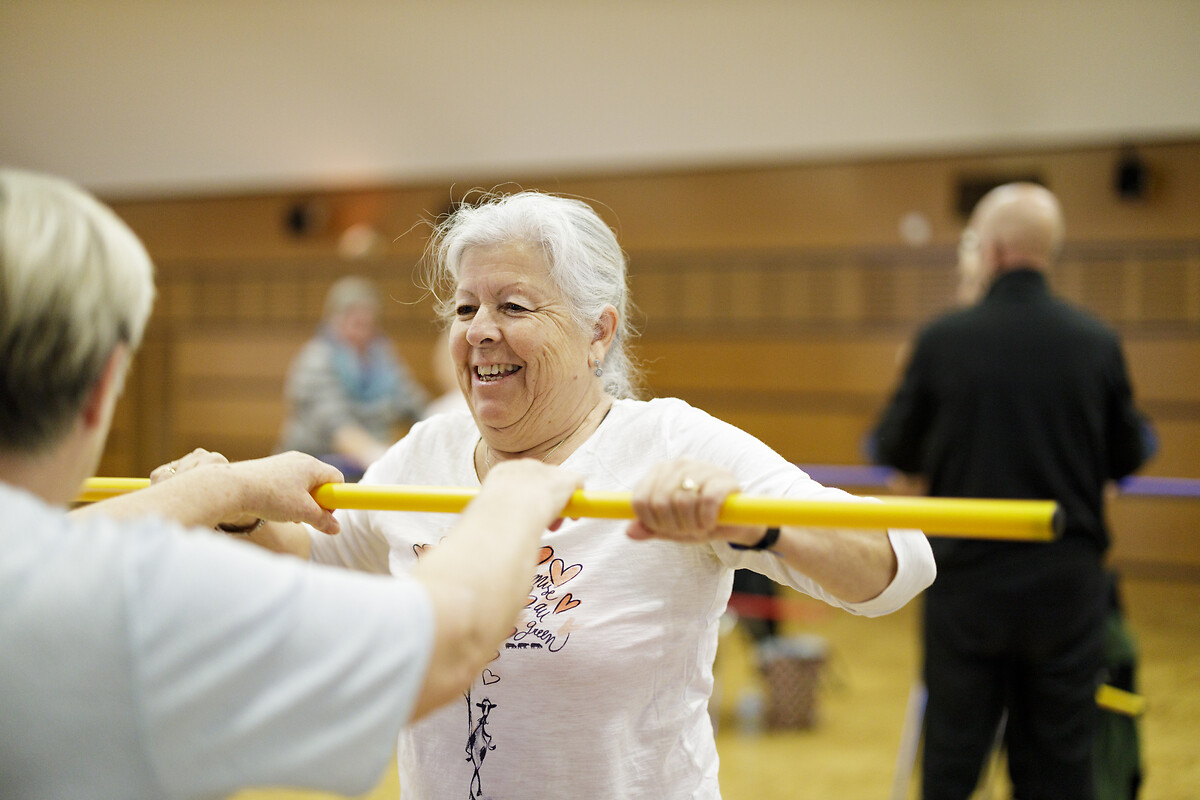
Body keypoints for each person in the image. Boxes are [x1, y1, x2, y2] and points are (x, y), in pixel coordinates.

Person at [255, 190, 936, 798]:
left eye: (512, 306)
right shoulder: (423, 454)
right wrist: (229, 506)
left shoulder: (673, 443)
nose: (479, 330)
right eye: (465, 307)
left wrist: (755, 526)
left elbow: (898, 564)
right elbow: (315, 560)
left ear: (598, 334)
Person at [0, 168, 581, 800]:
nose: (480, 327)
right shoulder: (141, 590)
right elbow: (446, 638)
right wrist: (511, 499)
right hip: (325, 459)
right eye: (467, 308)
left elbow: (57, 542)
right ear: (101, 387)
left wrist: (223, 490)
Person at [871, 183, 1150, 800]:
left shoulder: (944, 341)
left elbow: (894, 449)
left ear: (991, 250)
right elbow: (1128, 455)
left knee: (952, 758)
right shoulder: (1096, 342)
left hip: (968, 586)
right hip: (1066, 588)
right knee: (1057, 762)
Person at [277, 275, 428, 478]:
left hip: (368, 465)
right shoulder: (316, 359)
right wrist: (381, 458)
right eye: (354, 322)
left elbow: (414, 402)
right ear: (333, 320)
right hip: (314, 466)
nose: (361, 333)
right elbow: (337, 427)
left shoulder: (382, 357)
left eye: (367, 324)